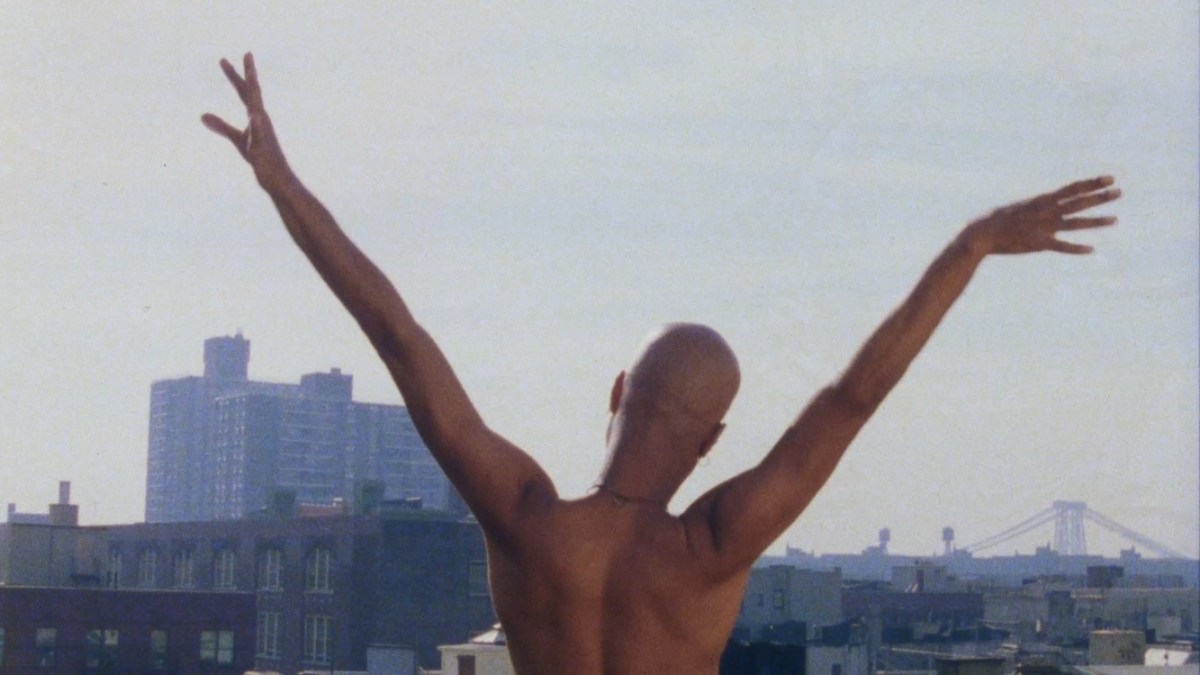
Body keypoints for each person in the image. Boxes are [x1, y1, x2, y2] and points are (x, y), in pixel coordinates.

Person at [203, 53, 1120, 674]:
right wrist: (971, 246)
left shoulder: (526, 519)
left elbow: (395, 331)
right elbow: (852, 397)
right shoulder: (714, 548)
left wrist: (281, 181)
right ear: (713, 440)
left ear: (615, 394)